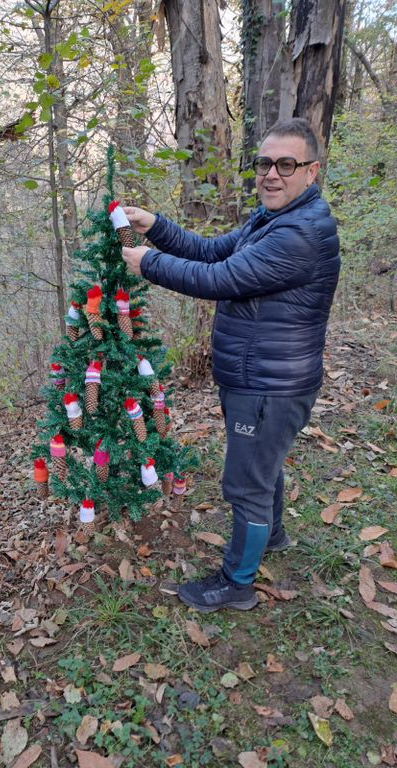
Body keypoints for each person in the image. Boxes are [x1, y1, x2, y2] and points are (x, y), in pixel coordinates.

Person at [121, 118, 340, 613]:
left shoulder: (300, 233)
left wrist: (147, 263)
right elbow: (211, 250)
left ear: (311, 172)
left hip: (269, 383)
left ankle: (236, 584)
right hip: (262, 376)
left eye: (287, 164)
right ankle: (272, 534)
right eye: (265, 163)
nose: (272, 174)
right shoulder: (273, 219)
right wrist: (156, 227)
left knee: (245, 483)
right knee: (262, 464)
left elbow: (219, 277)